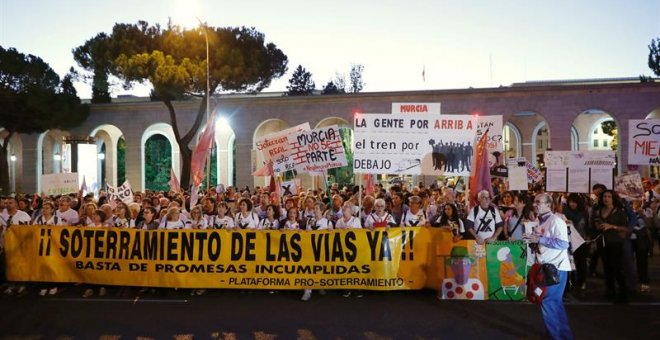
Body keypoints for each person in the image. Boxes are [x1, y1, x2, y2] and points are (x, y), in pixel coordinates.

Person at [524, 193, 573, 339]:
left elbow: (564, 243)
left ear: (548, 205)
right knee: (554, 304)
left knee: (548, 302)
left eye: (538, 202)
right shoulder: (542, 221)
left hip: (555, 268)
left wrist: (540, 239)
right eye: (535, 202)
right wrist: (534, 242)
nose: (535, 204)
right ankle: (563, 335)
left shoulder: (556, 221)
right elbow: (545, 242)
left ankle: (555, 336)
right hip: (548, 267)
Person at [592, 190, 630, 302]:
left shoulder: (619, 211)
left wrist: (612, 226)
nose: (606, 199)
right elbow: (596, 223)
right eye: (604, 196)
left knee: (617, 268)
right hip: (603, 242)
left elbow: (625, 228)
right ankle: (610, 290)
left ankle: (623, 293)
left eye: (609, 197)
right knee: (607, 268)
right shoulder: (599, 210)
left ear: (613, 198)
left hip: (615, 242)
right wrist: (598, 225)